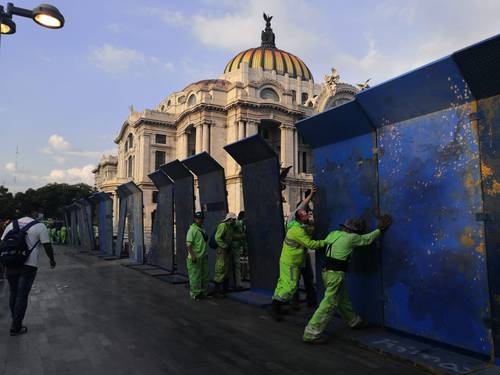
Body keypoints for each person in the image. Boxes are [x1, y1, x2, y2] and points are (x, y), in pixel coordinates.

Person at [302, 215, 392, 344]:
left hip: (326, 272)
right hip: (336, 274)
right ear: (354, 231)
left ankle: (353, 321)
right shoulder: (352, 238)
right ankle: (311, 333)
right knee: (329, 304)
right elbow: (367, 239)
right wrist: (379, 229)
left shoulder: (333, 234)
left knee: (342, 298)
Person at [1, 208, 56, 336]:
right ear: (34, 212)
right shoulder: (39, 226)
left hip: (10, 264)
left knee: (13, 293)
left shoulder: (11, 224)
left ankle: (15, 321)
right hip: (29, 265)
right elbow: (47, 245)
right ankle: (16, 326)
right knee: (22, 295)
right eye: (39, 212)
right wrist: (52, 260)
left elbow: (3, 243)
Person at [270, 209, 327, 321]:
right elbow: (311, 244)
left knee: (282, 284)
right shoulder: (297, 230)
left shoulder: (294, 225)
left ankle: (276, 307)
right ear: (300, 218)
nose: (308, 217)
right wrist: (326, 241)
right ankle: (275, 308)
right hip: (291, 262)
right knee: (290, 286)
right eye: (305, 215)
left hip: (287, 260)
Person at [288, 187, 318, 309]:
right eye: (304, 213)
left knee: (307, 277)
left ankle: (309, 299)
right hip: (295, 256)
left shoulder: (301, 222)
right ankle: (295, 301)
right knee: (296, 279)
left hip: (301, 255)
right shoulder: (293, 222)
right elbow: (310, 243)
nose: (307, 214)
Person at [185, 211, 209, 300]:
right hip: (195, 258)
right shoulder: (192, 230)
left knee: (204, 276)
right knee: (195, 277)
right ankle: (195, 294)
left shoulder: (202, 229)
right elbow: (188, 245)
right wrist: (193, 256)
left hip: (203, 257)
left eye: (201, 219)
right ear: (195, 219)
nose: (200, 220)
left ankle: (203, 292)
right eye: (198, 219)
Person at [213, 212, 236, 297]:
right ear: (230, 219)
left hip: (226, 250)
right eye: (233, 219)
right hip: (222, 250)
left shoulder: (229, 226)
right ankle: (217, 291)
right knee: (220, 268)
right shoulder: (223, 226)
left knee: (226, 269)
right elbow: (217, 238)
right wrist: (224, 245)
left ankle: (224, 289)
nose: (234, 221)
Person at [230, 211, 246, 290]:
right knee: (237, 266)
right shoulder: (238, 224)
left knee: (236, 266)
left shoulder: (238, 223)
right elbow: (231, 234)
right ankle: (238, 284)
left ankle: (236, 283)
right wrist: (241, 236)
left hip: (236, 246)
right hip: (235, 247)